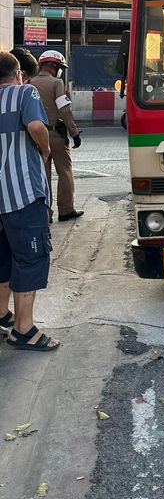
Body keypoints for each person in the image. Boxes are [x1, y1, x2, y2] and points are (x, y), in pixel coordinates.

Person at [0, 50, 59, 351]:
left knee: (3, 258)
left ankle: (2, 315)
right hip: (21, 194)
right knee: (30, 259)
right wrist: (45, 150)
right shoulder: (25, 92)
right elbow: (36, 126)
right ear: (18, 74)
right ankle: (23, 330)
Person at [29, 50, 84, 223]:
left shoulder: (29, 83)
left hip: (36, 137)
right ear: (55, 67)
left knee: (42, 175)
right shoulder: (56, 83)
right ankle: (66, 210)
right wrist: (74, 133)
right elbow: (64, 111)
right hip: (56, 135)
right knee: (64, 172)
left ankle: (45, 214)